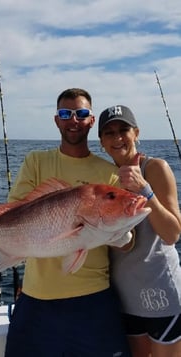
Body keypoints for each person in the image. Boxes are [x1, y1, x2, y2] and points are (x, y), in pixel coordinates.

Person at [0, 89, 132, 356]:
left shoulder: (108, 173)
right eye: (65, 113)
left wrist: (123, 236)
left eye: (81, 114)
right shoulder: (36, 161)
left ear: (91, 120)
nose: (73, 120)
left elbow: (125, 243)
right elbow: (12, 213)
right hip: (37, 298)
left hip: (94, 299)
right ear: (56, 120)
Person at [98, 104, 181, 357]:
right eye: (109, 133)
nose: (117, 138)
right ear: (101, 141)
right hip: (123, 298)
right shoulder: (103, 179)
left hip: (162, 295)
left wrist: (145, 190)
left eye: (124, 129)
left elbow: (172, 234)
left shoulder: (155, 167)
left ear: (136, 132)